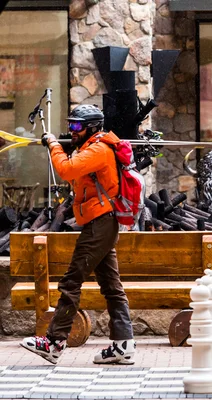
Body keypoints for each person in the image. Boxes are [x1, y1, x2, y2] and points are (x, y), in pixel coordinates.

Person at [20, 104, 136, 364]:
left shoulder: (98, 149)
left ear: (92, 128)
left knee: (72, 281)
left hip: (100, 223)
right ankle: (123, 345)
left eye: (76, 126)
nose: (72, 130)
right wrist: (61, 143)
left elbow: (66, 170)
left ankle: (54, 342)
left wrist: (53, 144)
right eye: (70, 125)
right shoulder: (89, 146)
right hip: (102, 221)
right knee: (111, 286)